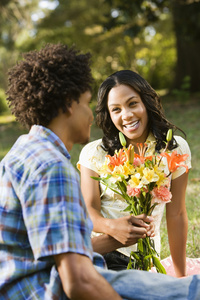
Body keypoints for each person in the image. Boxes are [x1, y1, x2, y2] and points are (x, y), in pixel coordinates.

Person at [1, 43, 200, 300]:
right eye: (86, 103)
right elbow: (78, 281)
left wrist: (119, 237)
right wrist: (112, 231)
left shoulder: (24, 151)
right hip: (44, 289)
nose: (92, 116)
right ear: (69, 104)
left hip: (44, 279)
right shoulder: (52, 168)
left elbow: (58, 249)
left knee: (181, 289)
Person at [78, 70, 191, 277]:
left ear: (146, 103)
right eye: (116, 109)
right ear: (109, 115)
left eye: (132, 104)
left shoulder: (173, 149)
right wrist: (113, 228)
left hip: (143, 258)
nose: (126, 115)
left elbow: (177, 215)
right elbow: (89, 211)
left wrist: (181, 278)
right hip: (101, 252)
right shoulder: (95, 153)